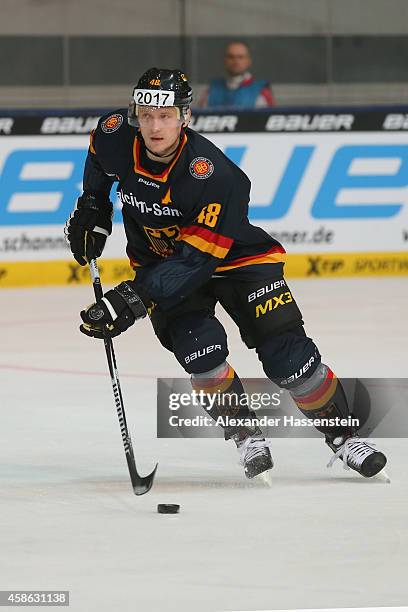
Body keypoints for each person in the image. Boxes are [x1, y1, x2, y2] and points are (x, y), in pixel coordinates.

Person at [64, 67, 386, 480]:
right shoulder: (114, 133)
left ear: (185, 116)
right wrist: (95, 207)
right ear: (134, 115)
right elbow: (98, 164)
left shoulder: (215, 176)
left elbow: (196, 261)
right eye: (146, 115)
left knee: (289, 358)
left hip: (235, 262)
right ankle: (246, 434)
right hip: (162, 263)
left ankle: (345, 438)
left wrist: (131, 299)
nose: (155, 125)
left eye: (166, 116)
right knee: (203, 354)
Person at [199, 41, 275, 109]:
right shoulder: (212, 89)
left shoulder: (261, 90)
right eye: (231, 57)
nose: (235, 61)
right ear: (225, 60)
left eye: (240, 57)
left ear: (248, 61)